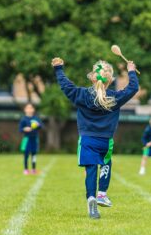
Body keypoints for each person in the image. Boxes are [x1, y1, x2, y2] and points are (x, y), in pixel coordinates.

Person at [52, 57, 139, 219]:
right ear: (110, 79)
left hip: (87, 140)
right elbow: (133, 88)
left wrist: (59, 69)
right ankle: (102, 193)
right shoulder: (114, 97)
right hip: (106, 141)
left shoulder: (82, 95)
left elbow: (66, 86)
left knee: (90, 169)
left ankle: (91, 197)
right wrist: (131, 71)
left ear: (93, 76)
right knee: (106, 163)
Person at [19, 103, 42, 175]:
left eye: (31, 108)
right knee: (26, 154)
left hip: (34, 139)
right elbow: (20, 130)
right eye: (28, 108)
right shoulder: (23, 119)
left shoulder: (36, 119)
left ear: (33, 109)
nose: (29, 109)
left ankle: (33, 169)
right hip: (27, 139)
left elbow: (41, 126)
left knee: (34, 154)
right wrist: (24, 129)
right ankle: (26, 169)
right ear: (25, 110)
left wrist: (37, 125)